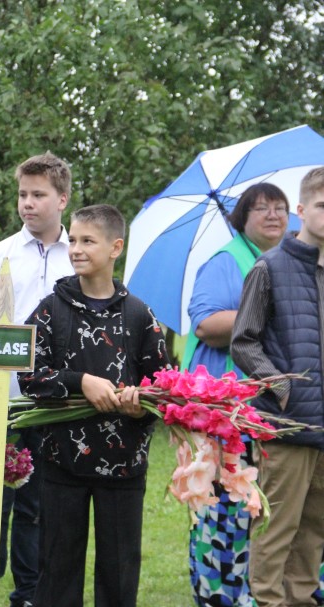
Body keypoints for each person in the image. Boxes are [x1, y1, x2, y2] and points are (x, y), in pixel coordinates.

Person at [20, 204, 168, 607]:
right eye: (73, 240)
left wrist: (141, 406)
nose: (76, 249)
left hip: (124, 465)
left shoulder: (139, 315)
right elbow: (29, 376)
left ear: (115, 247)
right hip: (61, 462)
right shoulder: (51, 309)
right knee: (57, 572)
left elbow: (163, 386)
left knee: (119, 575)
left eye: (88, 241)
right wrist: (80, 381)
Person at [0, 151, 75, 607]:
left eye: (39, 195)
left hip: (57, 403)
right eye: (23, 194)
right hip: (2, 402)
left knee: (39, 506)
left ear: (62, 199)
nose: (27, 203)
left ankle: (29, 593)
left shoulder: (78, 256)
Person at [182, 183, 290, 606]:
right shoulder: (226, 261)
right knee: (225, 506)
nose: (273, 215)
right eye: (261, 208)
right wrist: (267, 308)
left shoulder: (295, 261)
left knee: (274, 508)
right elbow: (205, 324)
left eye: (280, 207)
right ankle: (221, 593)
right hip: (229, 414)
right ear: (242, 218)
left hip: (278, 411)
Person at [231, 167, 324, 607]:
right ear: (301, 210)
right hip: (286, 426)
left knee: (314, 533)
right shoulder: (269, 267)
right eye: (322, 205)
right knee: (276, 530)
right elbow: (243, 342)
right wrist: (282, 389)